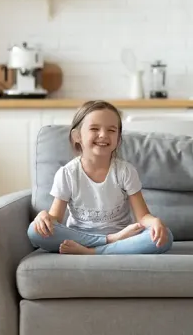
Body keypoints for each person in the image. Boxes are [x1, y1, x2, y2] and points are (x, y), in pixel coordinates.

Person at [27, 100, 173, 255]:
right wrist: (44, 217)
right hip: (86, 237)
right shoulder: (67, 173)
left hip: (124, 238)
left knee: (165, 237)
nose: (103, 135)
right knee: (34, 231)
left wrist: (154, 222)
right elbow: (55, 217)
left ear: (118, 139)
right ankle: (108, 242)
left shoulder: (125, 171)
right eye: (94, 128)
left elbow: (143, 216)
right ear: (77, 136)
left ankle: (93, 252)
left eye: (111, 130)